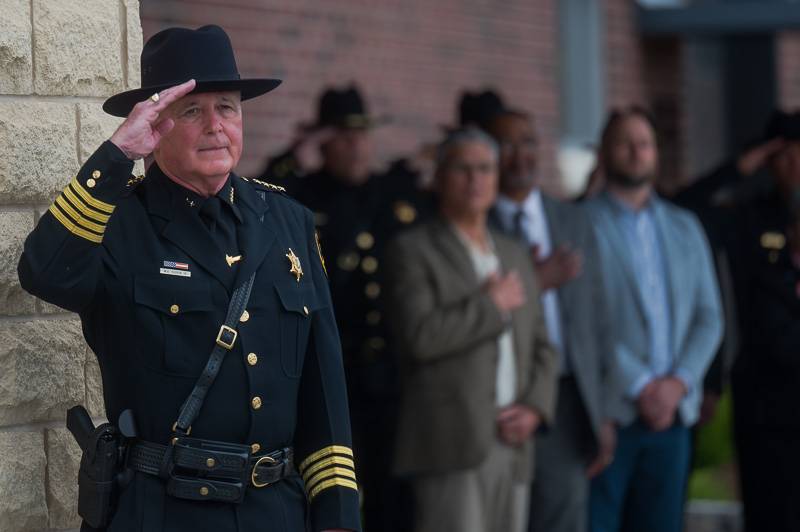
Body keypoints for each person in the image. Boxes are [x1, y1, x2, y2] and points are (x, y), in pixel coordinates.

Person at [17, 25, 359, 532]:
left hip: (276, 512)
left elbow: (323, 389)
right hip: (163, 510)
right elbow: (44, 273)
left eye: (227, 107)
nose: (215, 126)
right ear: (156, 124)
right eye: (192, 111)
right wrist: (117, 155)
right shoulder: (119, 222)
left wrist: (337, 516)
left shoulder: (288, 221)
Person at [262, 85, 429, 532]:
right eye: (344, 136)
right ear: (324, 142)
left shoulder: (393, 189)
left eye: (363, 135)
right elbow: (264, 196)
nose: (357, 146)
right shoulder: (302, 195)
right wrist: (295, 154)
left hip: (390, 373)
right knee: (336, 489)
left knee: (393, 492)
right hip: (333, 368)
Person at [384, 127, 559, 532]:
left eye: (485, 169)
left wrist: (535, 407)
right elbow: (419, 337)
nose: (476, 179)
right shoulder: (412, 249)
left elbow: (544, 347)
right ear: (440, 176)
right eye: (463, 169)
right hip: (450, 444)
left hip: (515, 442)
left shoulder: (513, 252)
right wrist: (491, 304)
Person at [584, 107, 723, 532]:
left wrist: (679, 381)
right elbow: (583, 320)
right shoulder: (580, 224)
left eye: (644, 143)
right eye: (625, 142)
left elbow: (709, 315)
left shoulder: (685, 226)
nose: (636, 151)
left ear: (657, 154)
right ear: (605, 152)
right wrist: (642, 384)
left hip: (673, 416)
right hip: (610, 412)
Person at [485, 107, 614, 532]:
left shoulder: (573, 220)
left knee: (562, 516)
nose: (519, 155)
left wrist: (605, 411)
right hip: (493, 401)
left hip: (563, 396)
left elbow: (598, 320)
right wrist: (537, 282)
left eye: (527, 142)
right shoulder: (472, 219)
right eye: (506, 144)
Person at [678, 110, 800, 532]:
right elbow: (681, 210)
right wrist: (740, 166)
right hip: (766, 405)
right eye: (783, 157)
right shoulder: (748, 216)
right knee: (770, 517)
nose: (795, 167)